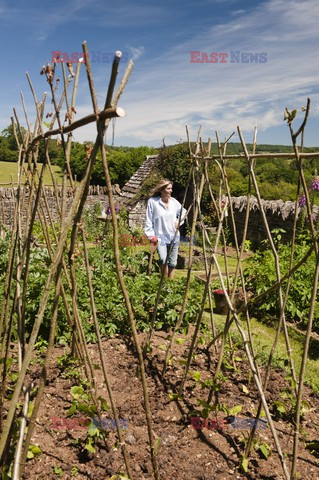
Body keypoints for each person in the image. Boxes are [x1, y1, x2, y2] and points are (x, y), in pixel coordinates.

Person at [144, 179, 187, 279]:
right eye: (168, 189)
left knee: (173, 262)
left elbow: (183, 213)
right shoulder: (153, 202)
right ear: (161, 190)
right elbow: (148, 220)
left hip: (174, 237)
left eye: (171, 188)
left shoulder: (174, 203)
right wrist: (151, 236)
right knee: (163, 259)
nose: (171, 191)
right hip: (160, 237)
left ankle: (170, 285)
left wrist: (178, 222)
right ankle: (164, 282)